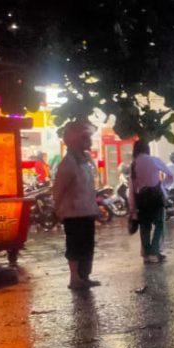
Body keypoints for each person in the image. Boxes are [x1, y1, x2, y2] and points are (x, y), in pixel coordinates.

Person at [52, 121, 101, 290]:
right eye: (85, 138)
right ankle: (75, 278)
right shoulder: (68, 163)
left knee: (87, 246)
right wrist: (56, 208)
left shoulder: (83, 161)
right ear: (75, 140)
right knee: (75, 245)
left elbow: (89, 187)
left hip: (86, 211)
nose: (89, 141)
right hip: (73, 213)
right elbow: (59, 189)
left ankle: (84, 276)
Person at [130, 139, 172, 264]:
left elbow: (132, 187)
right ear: (147, 148)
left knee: (145, 226)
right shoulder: (154, 160)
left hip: (141, 199)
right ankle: (155, 252)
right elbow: (170, 175)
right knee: (159, 225)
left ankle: (146, 255)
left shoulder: (134, 164)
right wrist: (162, 186)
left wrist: (132, 208)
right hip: (155, 197)